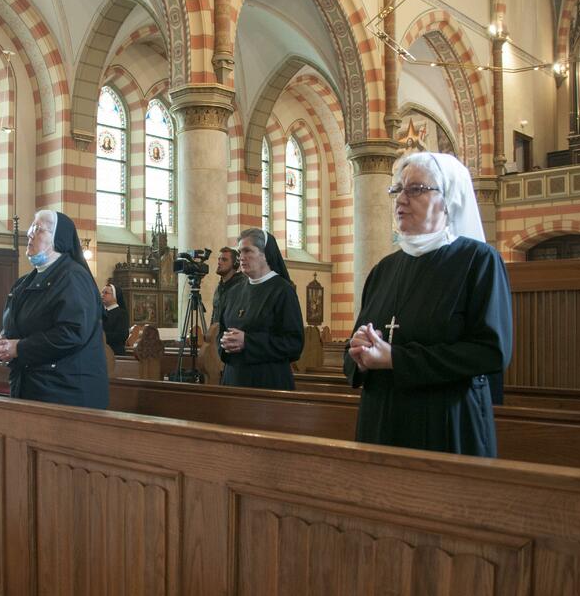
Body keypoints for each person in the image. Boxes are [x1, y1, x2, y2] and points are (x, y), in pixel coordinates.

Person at [344, 152, 513, 457]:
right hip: (380, 423)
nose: (401, 200)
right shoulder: (383, 269)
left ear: (449, 199)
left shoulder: (478, 261)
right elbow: (355, 350)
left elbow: (491, 352)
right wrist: (358, 352)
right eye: (397, 190)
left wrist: (396, 359)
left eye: (416, 189)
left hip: (445, 426)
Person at [0, 210, 108, 409]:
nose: (30, 234)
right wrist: (4, 340)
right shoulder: (25, 282)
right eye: (31, 227)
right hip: (32, 388)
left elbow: (72, 332)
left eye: (38, 229)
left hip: (65, 394)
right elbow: (18, 322)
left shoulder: (73, 277)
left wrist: (19, 347)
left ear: (58, 240)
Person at [217, 229, 304, 390]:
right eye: (239, 252)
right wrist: (224, 342)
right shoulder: (233, 292)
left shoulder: (283, 291)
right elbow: (220, 330)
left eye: (247, 251)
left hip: (268, 382)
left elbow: (294, 344)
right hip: (233, 381)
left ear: (265, 254)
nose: (241, 257)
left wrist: (248, 342)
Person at [210, 246, 244, 326]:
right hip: (218, 336)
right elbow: (214, 315)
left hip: (232, 335)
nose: (219, 262)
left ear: (235, 263)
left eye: (224, 260)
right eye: (219, 259)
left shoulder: (242, 287)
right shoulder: (219, 288)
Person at [100, 283, 129, 355]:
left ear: (115, 297)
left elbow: (122, 335)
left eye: (106, 293)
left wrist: (100, 336)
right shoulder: (100, 312)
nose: (102, 295)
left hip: (115, 353)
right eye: (102, 292)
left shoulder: (122, 313)